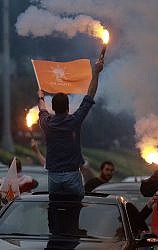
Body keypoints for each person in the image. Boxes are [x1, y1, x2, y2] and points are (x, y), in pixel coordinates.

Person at [37, 59, 104, 198]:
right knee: (77, 205)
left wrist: (41, 97)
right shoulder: (75, 120)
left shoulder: (47, 123)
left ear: (53, 108)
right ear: (68, 107)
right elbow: (90, 95)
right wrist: (96, 72)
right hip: (72, 175)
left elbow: (42, 109)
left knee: (55, 207)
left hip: (53, 176)